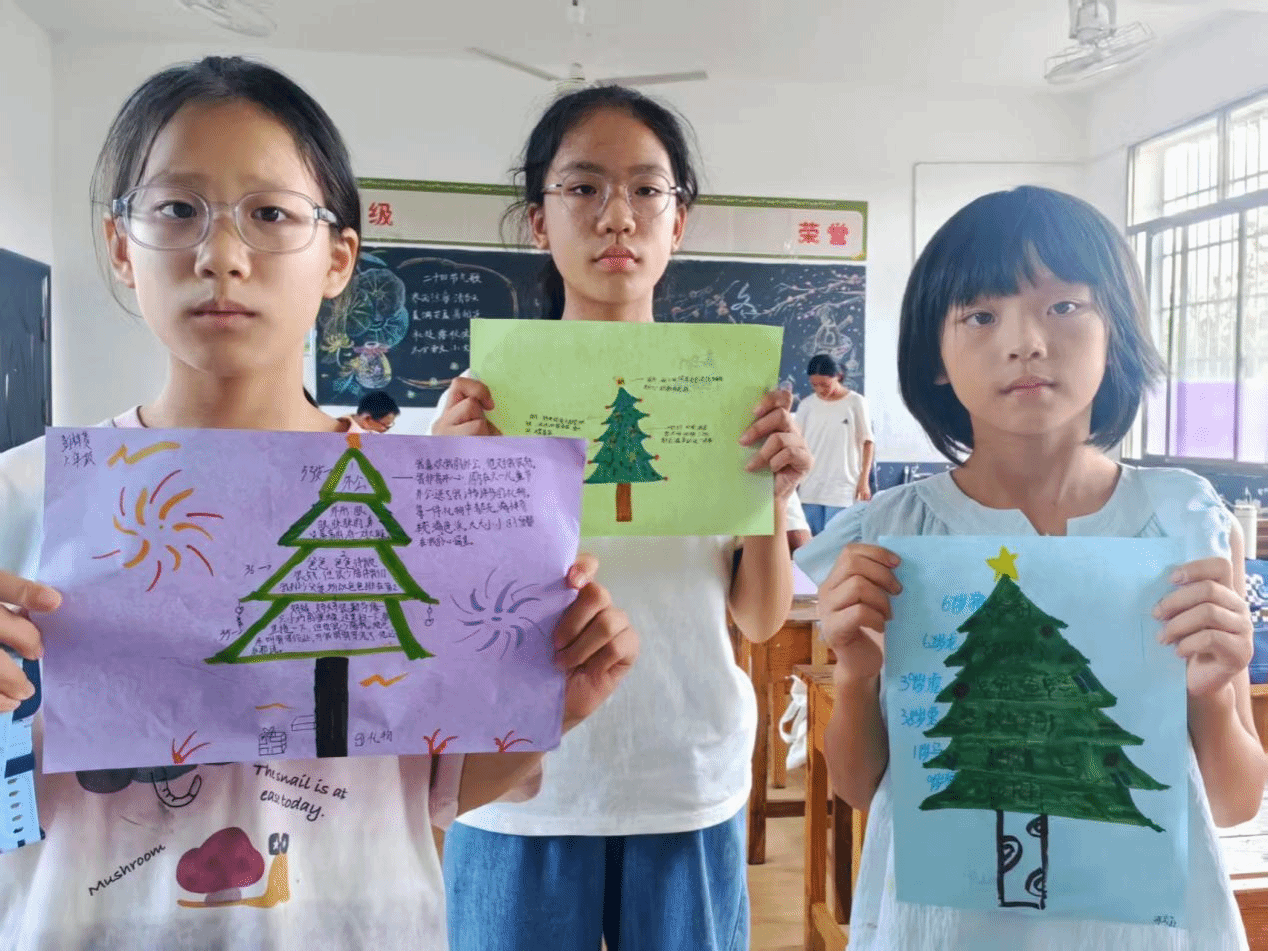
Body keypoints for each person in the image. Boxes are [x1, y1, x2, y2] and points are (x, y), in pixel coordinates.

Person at [0, 56, 639, 951]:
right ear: (119, 244)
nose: (221, 256)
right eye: (177, 209)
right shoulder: (22, 499)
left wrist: (553, 703)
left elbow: (432, 791)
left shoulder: (421, 506)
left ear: (338, 257)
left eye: (270, 214)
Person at [795, 186, 1265, 950]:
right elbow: (857, 787)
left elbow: (1235, 801)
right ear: (935, 355)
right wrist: (855, 675)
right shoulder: (894, 534)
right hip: (947, 928)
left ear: (1116, 329)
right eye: (981, 315)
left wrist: (1211, 690)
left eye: (1064, 306)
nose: (1025, 342)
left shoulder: (1185, 519)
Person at [431, 85, 812, 951]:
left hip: (684, 773)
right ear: (538, 220)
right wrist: (448, 486)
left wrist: (763, 496)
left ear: (680, 221)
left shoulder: (733, 400)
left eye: (647, 189)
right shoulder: (478, 406)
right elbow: (443, 621)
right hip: (517, 784)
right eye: (584, 187)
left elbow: (760, 618)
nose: (617, 217)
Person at [795, 353, 874, 534]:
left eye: (825, 384)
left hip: (843, 488)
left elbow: (868, 443)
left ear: (838, 376)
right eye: (814, 385)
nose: (819, 390)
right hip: (809, 488)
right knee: (811, 544)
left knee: (837, 541)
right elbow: (796, 444)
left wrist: (864, 481)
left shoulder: (855, 402)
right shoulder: (806, 405)